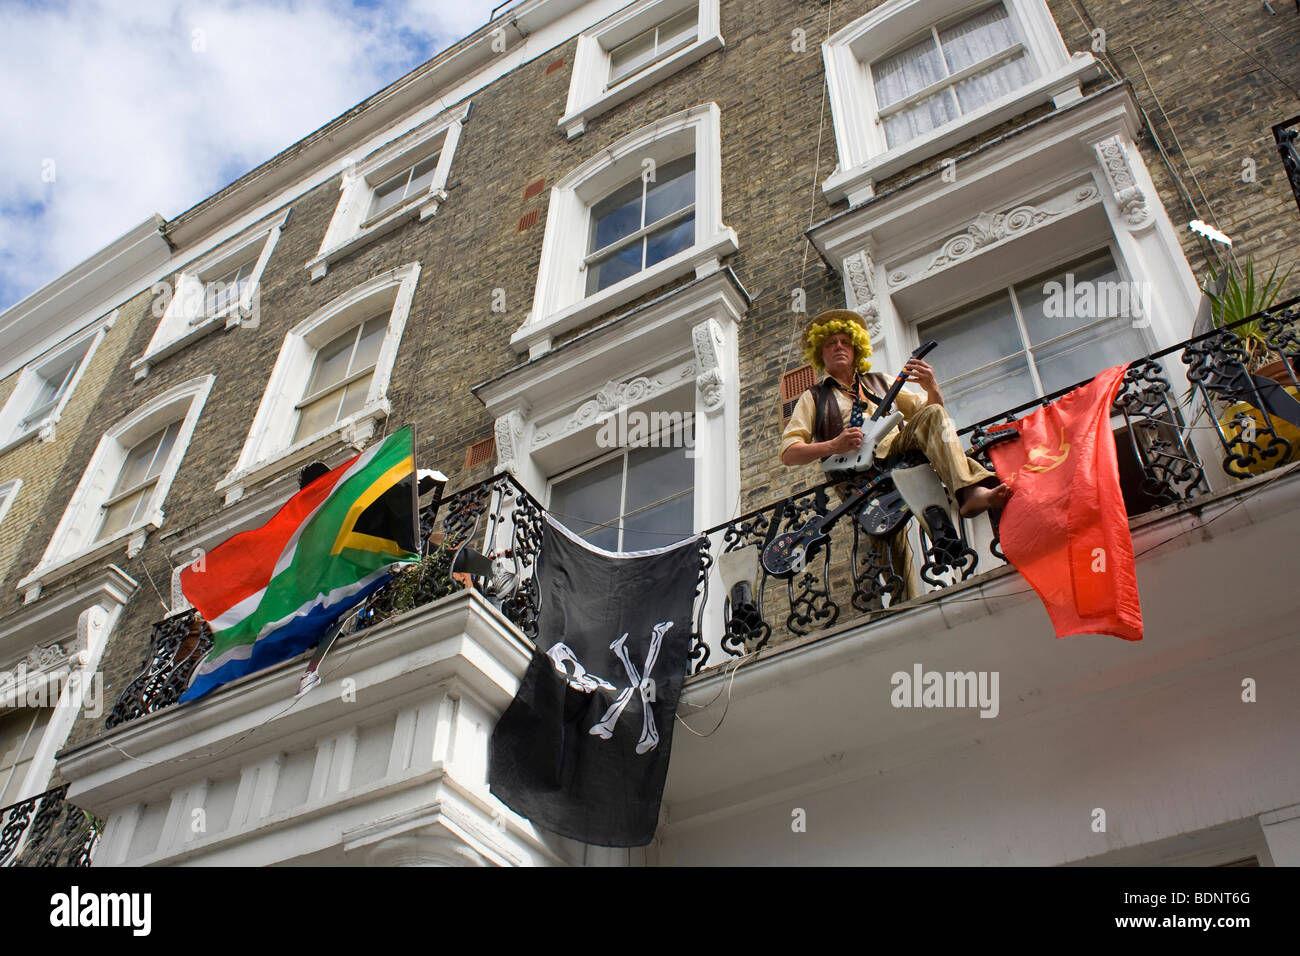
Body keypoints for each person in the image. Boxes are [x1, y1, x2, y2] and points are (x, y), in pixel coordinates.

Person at [780, 310, 1011, 517]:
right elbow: (789, 453)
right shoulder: (814, 397)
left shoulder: (882, 382)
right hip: (856, 477)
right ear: (820, 353)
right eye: (830, 343)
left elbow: (933, 414)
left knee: (932, 414)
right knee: (887, 558)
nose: (839, 346)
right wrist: (833, 446)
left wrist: (932, 388)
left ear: (856, 348)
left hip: (899, 453)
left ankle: (970, 492)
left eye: (845, 342)